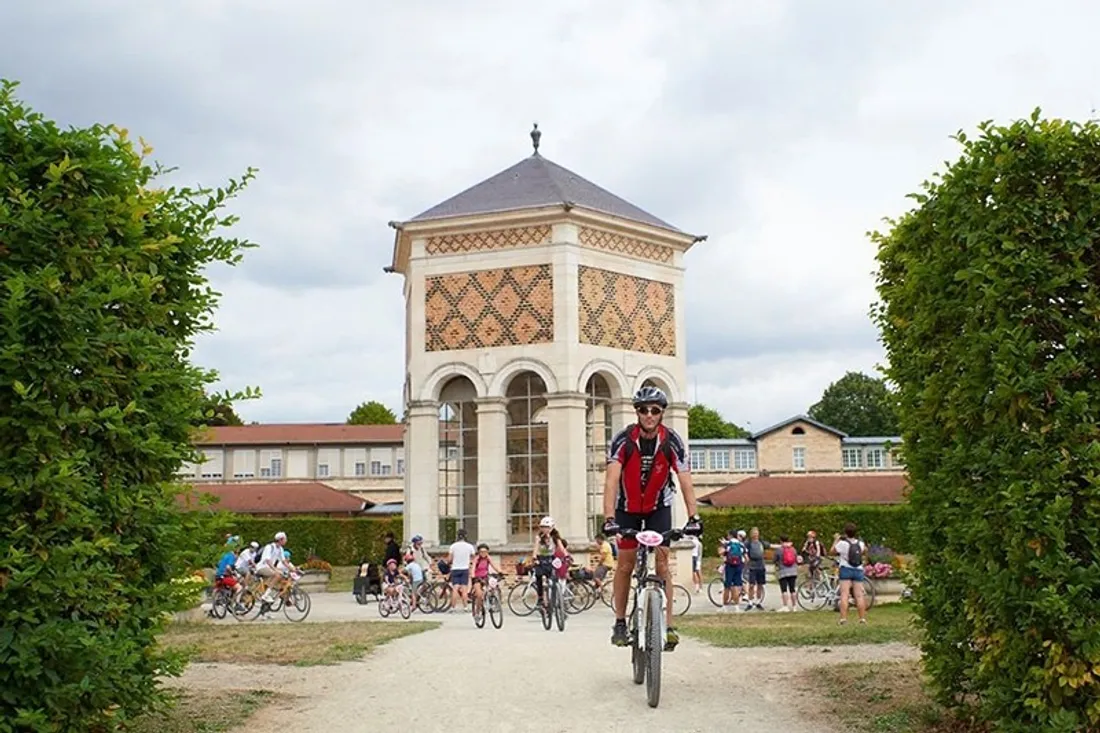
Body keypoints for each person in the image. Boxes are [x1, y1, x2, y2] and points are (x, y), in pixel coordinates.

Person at [602, 385, 703, 651]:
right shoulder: (623, 440)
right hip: (627, 508)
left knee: (662, 565)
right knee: (624, 565)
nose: (649, 415)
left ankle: (668, 626)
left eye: (655, 410)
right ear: (636, 412)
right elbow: (611, 482)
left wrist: (694, 517)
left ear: (662, 414)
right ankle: (620, 622)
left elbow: (685, 480)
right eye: (644, 410)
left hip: (659, 507)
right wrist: (609, 518)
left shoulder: (672, 441)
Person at [832, 523, 868, 625]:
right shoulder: (860, 543)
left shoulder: (843, 543)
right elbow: (865, 551)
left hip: (845, 569)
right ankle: (862, 619)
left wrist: (836, 540)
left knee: (844, 595)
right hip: (858, 569)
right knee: (859, 595)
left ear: (845, 533)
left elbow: (832, 551)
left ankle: (843, 619)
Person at [530, 516, 566, 609]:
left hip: (551, 559)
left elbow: (561, 548)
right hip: (541, 559)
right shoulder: (539, 537)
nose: (545, 529)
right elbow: (536, 548)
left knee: (554, 579)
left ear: (552, 528)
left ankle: (555, 601)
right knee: (538, 576)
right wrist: (534, 557)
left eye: (547, 527)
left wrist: (566, 555)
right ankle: (540, 597)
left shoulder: (555, 537)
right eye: (543, 527)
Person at [256, 531, 288, 616]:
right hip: (262, 567)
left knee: (279, 578)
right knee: (277, 575)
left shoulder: (280, 549)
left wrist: (293, 569)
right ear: (280, 540)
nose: (286, 540)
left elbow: (284, 561)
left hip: (269, 568)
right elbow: (267, 560)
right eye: (285, 539)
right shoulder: (269, 547)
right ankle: (265, 595)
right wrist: (275, 569)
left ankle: (265, 612)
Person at [445, 528, 476, 613]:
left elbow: (449, 559)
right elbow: (474, 557)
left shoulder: (453, 546)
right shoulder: (469, 546)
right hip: (465, 569)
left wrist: (448, 562)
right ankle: (465, 607)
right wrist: (470, 563)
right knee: (464, 589)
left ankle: (453, 608)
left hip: (455, 569)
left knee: (455, 588)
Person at [470, 543, 502, 616]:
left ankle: (492, 601)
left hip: (485, 576)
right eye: (481, 552)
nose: (483, 553)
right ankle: (477, 612)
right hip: (477, 578)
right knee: (479, 595)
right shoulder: (477, 559)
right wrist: (473, 576)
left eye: (485, 552)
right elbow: (473, 568)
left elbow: (494, 565)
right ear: (479, 552)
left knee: (493, 585)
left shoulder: (488, 558)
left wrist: (500, 572)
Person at [720, 529, 746, 612]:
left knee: (727, 587)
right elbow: (746, 557)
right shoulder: (741, 545)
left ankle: (724, 606)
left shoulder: (728, 544)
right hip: (738, 566)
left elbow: (722, 552)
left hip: (729, 566)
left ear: (730, 535)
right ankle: (736, 607)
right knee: (735, 587)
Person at [773, 534, 800, 612]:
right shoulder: (793, 549)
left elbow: (774, 560)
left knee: (784, 589)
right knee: (792, 589)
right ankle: (794, 606)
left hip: (783, 571)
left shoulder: (779, 550)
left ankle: (785, 606)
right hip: (793, 571)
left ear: (780, 540)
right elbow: (796, 559)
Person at [745, 527, 767, 610]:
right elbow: (744, 551)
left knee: (760, 585)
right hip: (752, 566)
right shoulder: (748, 543)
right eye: (753, 533)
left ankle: (758, 602)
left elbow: (770, 545)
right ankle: (750, 602)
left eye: (756, 533)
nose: (755, 534)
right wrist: (746, 558)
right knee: (751, 585)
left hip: (761, 565)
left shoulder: (761, 542)